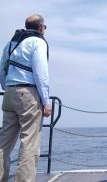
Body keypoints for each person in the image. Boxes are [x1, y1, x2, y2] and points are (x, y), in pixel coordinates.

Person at [0, 14, 51, 182]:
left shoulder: (11, 44)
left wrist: (8, 89)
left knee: (3, 144)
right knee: (29, 143)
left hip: (9, 94)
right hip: (28, 95)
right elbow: (40, 74)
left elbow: (2, 70)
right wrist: (46, 102)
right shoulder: (38, 42)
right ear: (41, 28)